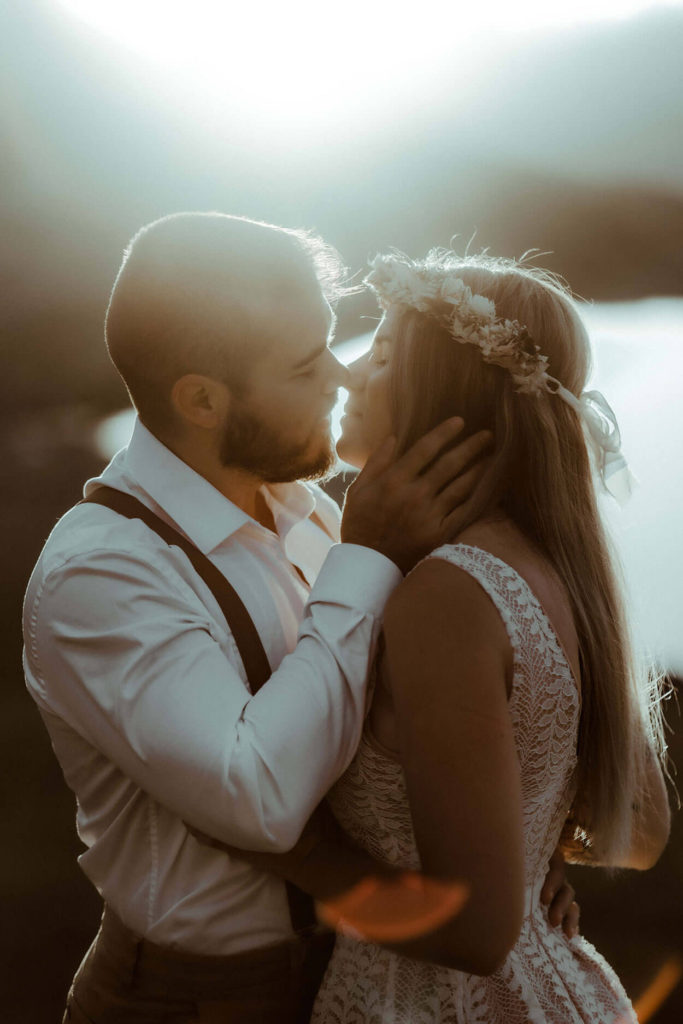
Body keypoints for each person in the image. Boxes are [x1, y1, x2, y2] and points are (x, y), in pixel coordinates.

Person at [22, 211, 501, 1024]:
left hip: (360, 973)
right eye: (307, 364)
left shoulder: (303, 509)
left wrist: (510, 858)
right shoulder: (100, 572)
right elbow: (258, 798)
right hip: (195, 1001)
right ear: (202, 400)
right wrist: (371, 555)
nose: (344, 381)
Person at [204, 250, 672, 1023]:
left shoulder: (446, 596)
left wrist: (287, 850)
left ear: (447, 393)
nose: (349, 376)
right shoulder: (557, 564)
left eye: (381, 353)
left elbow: (477, 933)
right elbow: (640, 832)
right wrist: (533, 849)